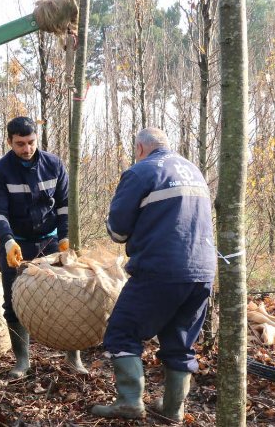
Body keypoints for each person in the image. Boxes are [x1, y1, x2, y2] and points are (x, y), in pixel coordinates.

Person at [91, 127, 215, 421]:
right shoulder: (193, 170)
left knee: (121, 332)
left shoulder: (141, 172)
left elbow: (118, 231)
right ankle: (173, 409)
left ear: (140, 149)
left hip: (160, 268)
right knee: (180, 341)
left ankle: (130, 401)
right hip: (202, 271)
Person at [0, 116, 87, 378]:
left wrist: (65, 238)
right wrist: (7, 241)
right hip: (15, 244)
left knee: (68, 298)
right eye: (20, 144)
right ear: (9, 142)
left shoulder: (54, 165)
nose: (27, 149)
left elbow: (65, 205)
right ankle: (22, 361)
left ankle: (73, 358)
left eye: (31, 142)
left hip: (51, 241)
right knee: (13, 301)